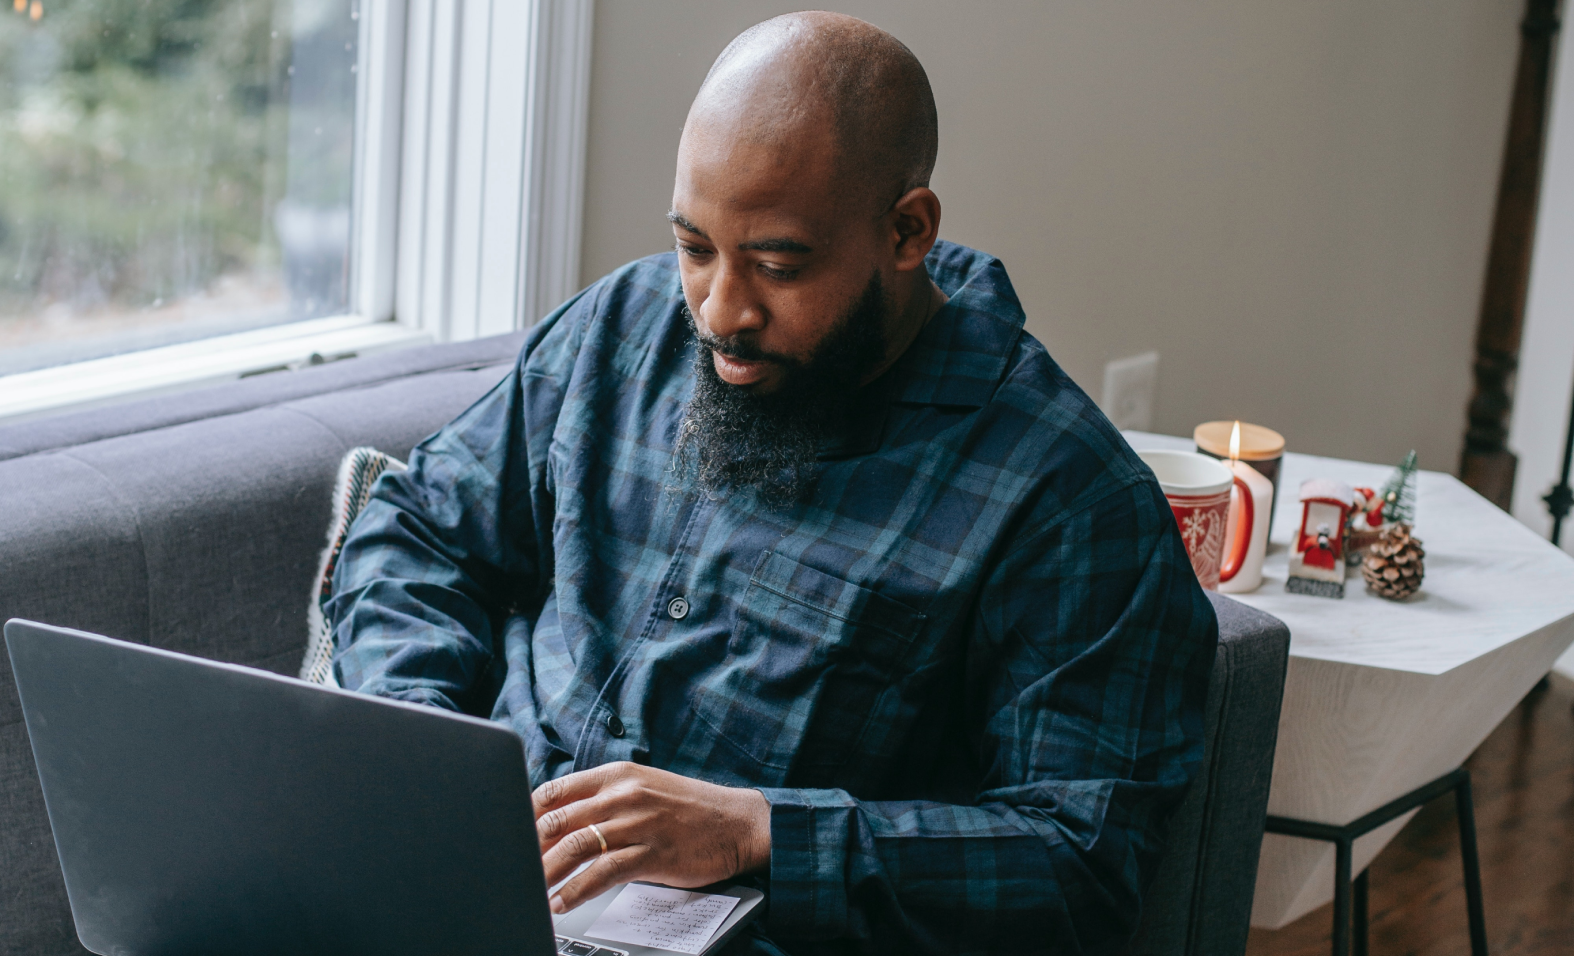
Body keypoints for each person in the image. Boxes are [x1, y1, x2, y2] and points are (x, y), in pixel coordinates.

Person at [328, 11, 1217, 955]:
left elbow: (1082, 867)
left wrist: (758, 832)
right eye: (695, 247)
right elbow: (419, 528)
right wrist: (425, 747)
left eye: (778, 265)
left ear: (907, 230)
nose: (719, 312)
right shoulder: (618, 331)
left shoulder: (1066, 497)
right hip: (467, 881)